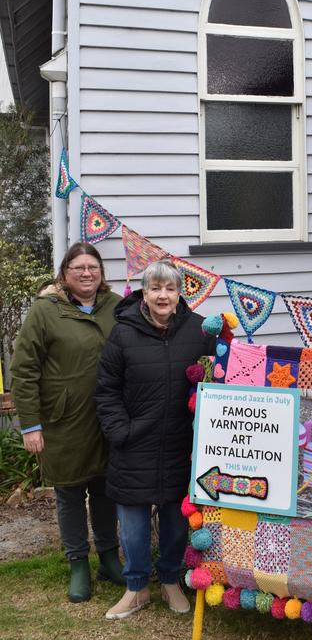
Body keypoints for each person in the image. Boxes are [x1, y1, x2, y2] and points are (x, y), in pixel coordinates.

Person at [95, 259, 213, 620]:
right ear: (143, 293)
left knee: (176, 521)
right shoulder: (123, 332)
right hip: (134, 444)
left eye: (170, 288)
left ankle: (170, 581)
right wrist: (121, 432)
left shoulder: (199, 331)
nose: (163, 295)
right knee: (132, 524)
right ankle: (136, 588)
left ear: (180, 293)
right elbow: (107, 390)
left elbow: (219, 376)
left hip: (181, 445)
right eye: (155, 288)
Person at [11, 242, 124, 603]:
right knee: (70, 492)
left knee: (106, 490)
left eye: (93, 266)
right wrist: (30, 425)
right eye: (78, 267)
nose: (87, 273)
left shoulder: (117, 307)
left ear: (102, 273)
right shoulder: (46, 311)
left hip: (108, 418)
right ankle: (78, 563)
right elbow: (24, 370)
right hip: (64, 421)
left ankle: (109, 558)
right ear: (65, 273)